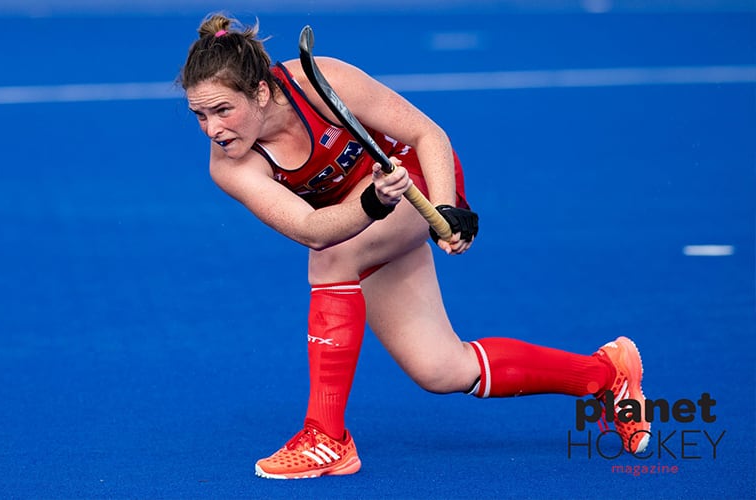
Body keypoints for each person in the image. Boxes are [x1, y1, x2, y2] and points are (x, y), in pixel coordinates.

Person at [179, 14, 650, 479]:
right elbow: (311, 228)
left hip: (420, 180)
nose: (212, 129)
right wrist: (371, 202)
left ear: (261, 92)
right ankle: (607, 375)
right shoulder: (230, 167)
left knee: (334, 260)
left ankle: (326, 437)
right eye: (200, 115)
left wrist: (446, 207)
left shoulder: (321, 81)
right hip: (364, 215)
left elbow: (428, 135)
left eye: (222, 110)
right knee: (440, 369)